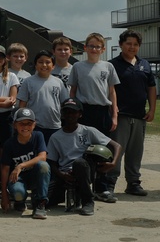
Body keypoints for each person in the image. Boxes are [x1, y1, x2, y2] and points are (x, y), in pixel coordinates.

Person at [45, 98, 122, 216]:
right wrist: (62, 175)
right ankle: (68, 195)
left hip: (84, 170)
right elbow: (52, 162)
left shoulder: (88, 131)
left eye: (73, 112)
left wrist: (113, 163)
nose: (70, 115)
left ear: (80, 114)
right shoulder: (55, 137)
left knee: (79, 163)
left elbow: (116, 146)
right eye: (67, 112)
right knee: (43, 201)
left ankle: (88, 201)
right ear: (63, 114)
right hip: (65, 174)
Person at [68, 32, 120, 202]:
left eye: (97, 46)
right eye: (91, 46)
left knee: (103, 150)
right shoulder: (78, 67)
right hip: (85, 111)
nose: (94, 49)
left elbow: (112, 91)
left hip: (103, 111)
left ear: (102, 49)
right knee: (84, 148)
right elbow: (73, 91)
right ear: (85, 48)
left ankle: (102, 187)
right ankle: (83, 185)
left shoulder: (108, 67)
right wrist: (74, 113)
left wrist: (114, 115)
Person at [109, 30, 157, 197]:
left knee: (136, 152)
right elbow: (109, 89)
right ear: (121, 44)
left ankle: (133, 183)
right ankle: (109, 183)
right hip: (120, 116)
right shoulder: (112, 65)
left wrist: (152, 109)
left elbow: (151, 87)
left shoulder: (145, 64)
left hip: (139, 116)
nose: (132, 47)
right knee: (116, 151)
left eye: (135, 44)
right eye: (128, 43)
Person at [0, 108, 50, 220]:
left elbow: (43, 157)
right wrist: (4, 195)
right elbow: (5, 169)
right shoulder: (9, 144)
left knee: (44, 166)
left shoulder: (38, 136)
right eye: (21, 123)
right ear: (15, 125)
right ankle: (19, 201)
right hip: (18, 179)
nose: (25, 127)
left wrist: (21, 165)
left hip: (34, 177)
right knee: (18, 193)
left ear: (34, 125)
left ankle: (40, 204)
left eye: (29, 123)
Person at [18, 50, 65, 143]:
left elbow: (64, 102)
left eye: (47, 62)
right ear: (35, 65)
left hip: (55, 125)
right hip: (35, 126)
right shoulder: (28, 81)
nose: (44, 65)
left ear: (53, 66)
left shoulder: (59, 82)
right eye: (40, 62)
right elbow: (22, 105)